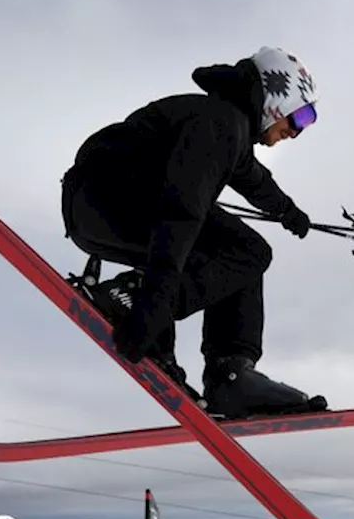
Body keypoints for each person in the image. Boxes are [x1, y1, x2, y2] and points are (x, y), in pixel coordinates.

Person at [61, 46, 326, 418]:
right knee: (246, 251)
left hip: (101, 207)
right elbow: (181, 213)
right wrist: (156, 301)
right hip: (110, 198)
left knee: (241, 249)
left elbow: (252, 178)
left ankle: (224, 368)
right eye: (300, 115)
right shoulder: (219, 126)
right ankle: (226, 373)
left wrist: (287, 210)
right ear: (274, 97)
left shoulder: (225, 125)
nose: (296, 131)